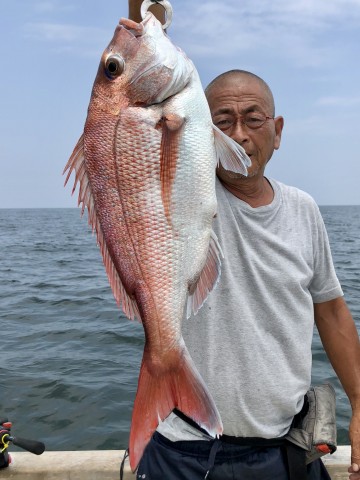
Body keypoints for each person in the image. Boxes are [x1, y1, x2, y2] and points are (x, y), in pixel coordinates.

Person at [127, 1, 360, 478]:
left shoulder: (304, 209)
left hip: (285, 449)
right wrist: (145, 21)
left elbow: (331, 309)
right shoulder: (182, 190)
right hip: (186, 452)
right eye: (222, 120)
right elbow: (138, 114)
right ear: (197, 130)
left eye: (254, 119)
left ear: (278, 132)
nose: (240, 134)